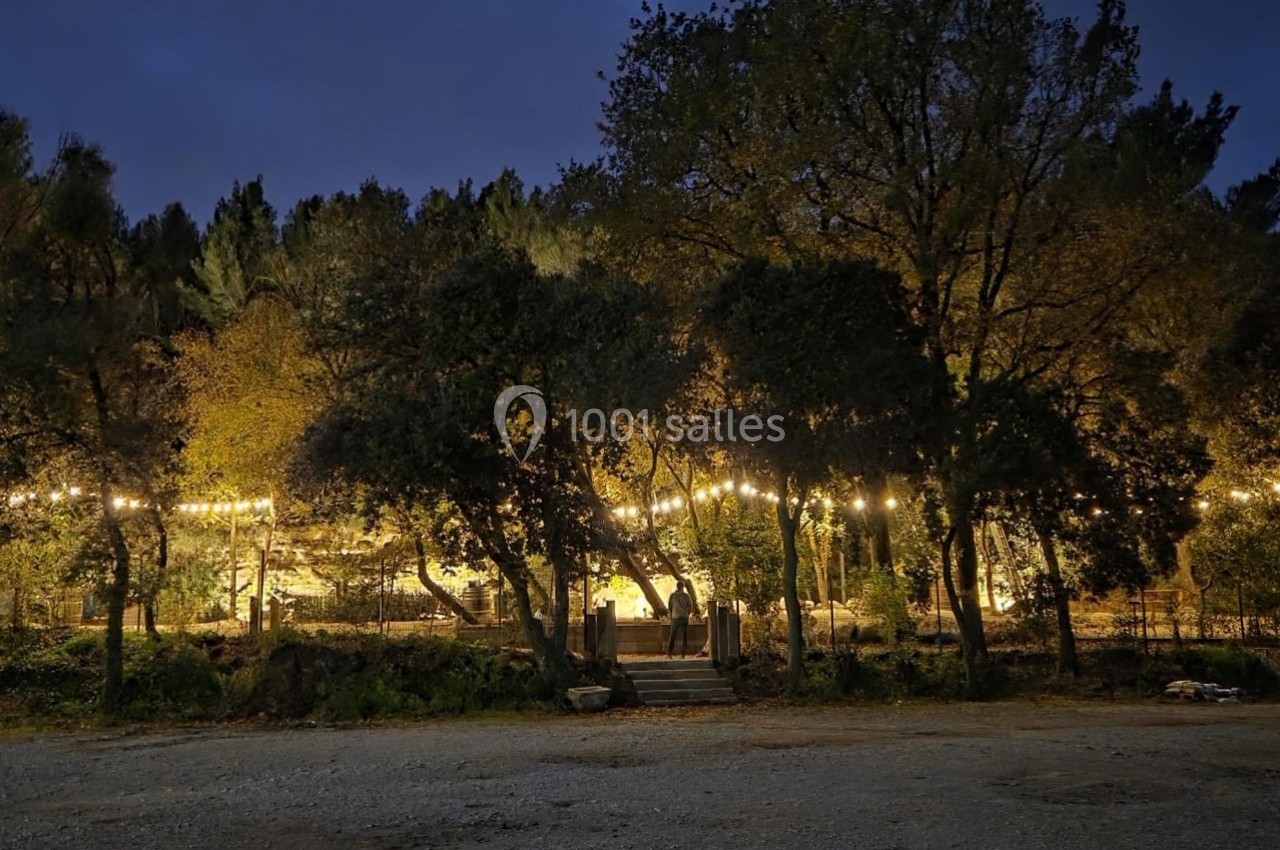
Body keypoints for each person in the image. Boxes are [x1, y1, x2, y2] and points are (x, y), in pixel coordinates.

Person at [666, 580, 696, 658]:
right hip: (684, 617)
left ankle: (669, 653)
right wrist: (687, 614)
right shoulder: (686, 596)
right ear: (683, 587)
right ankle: (683, 654)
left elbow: (669, 606)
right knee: (684, 636)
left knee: (672, 635)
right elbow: (691, 606)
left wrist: (671, 615)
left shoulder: (672, 595)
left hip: (675, 617)